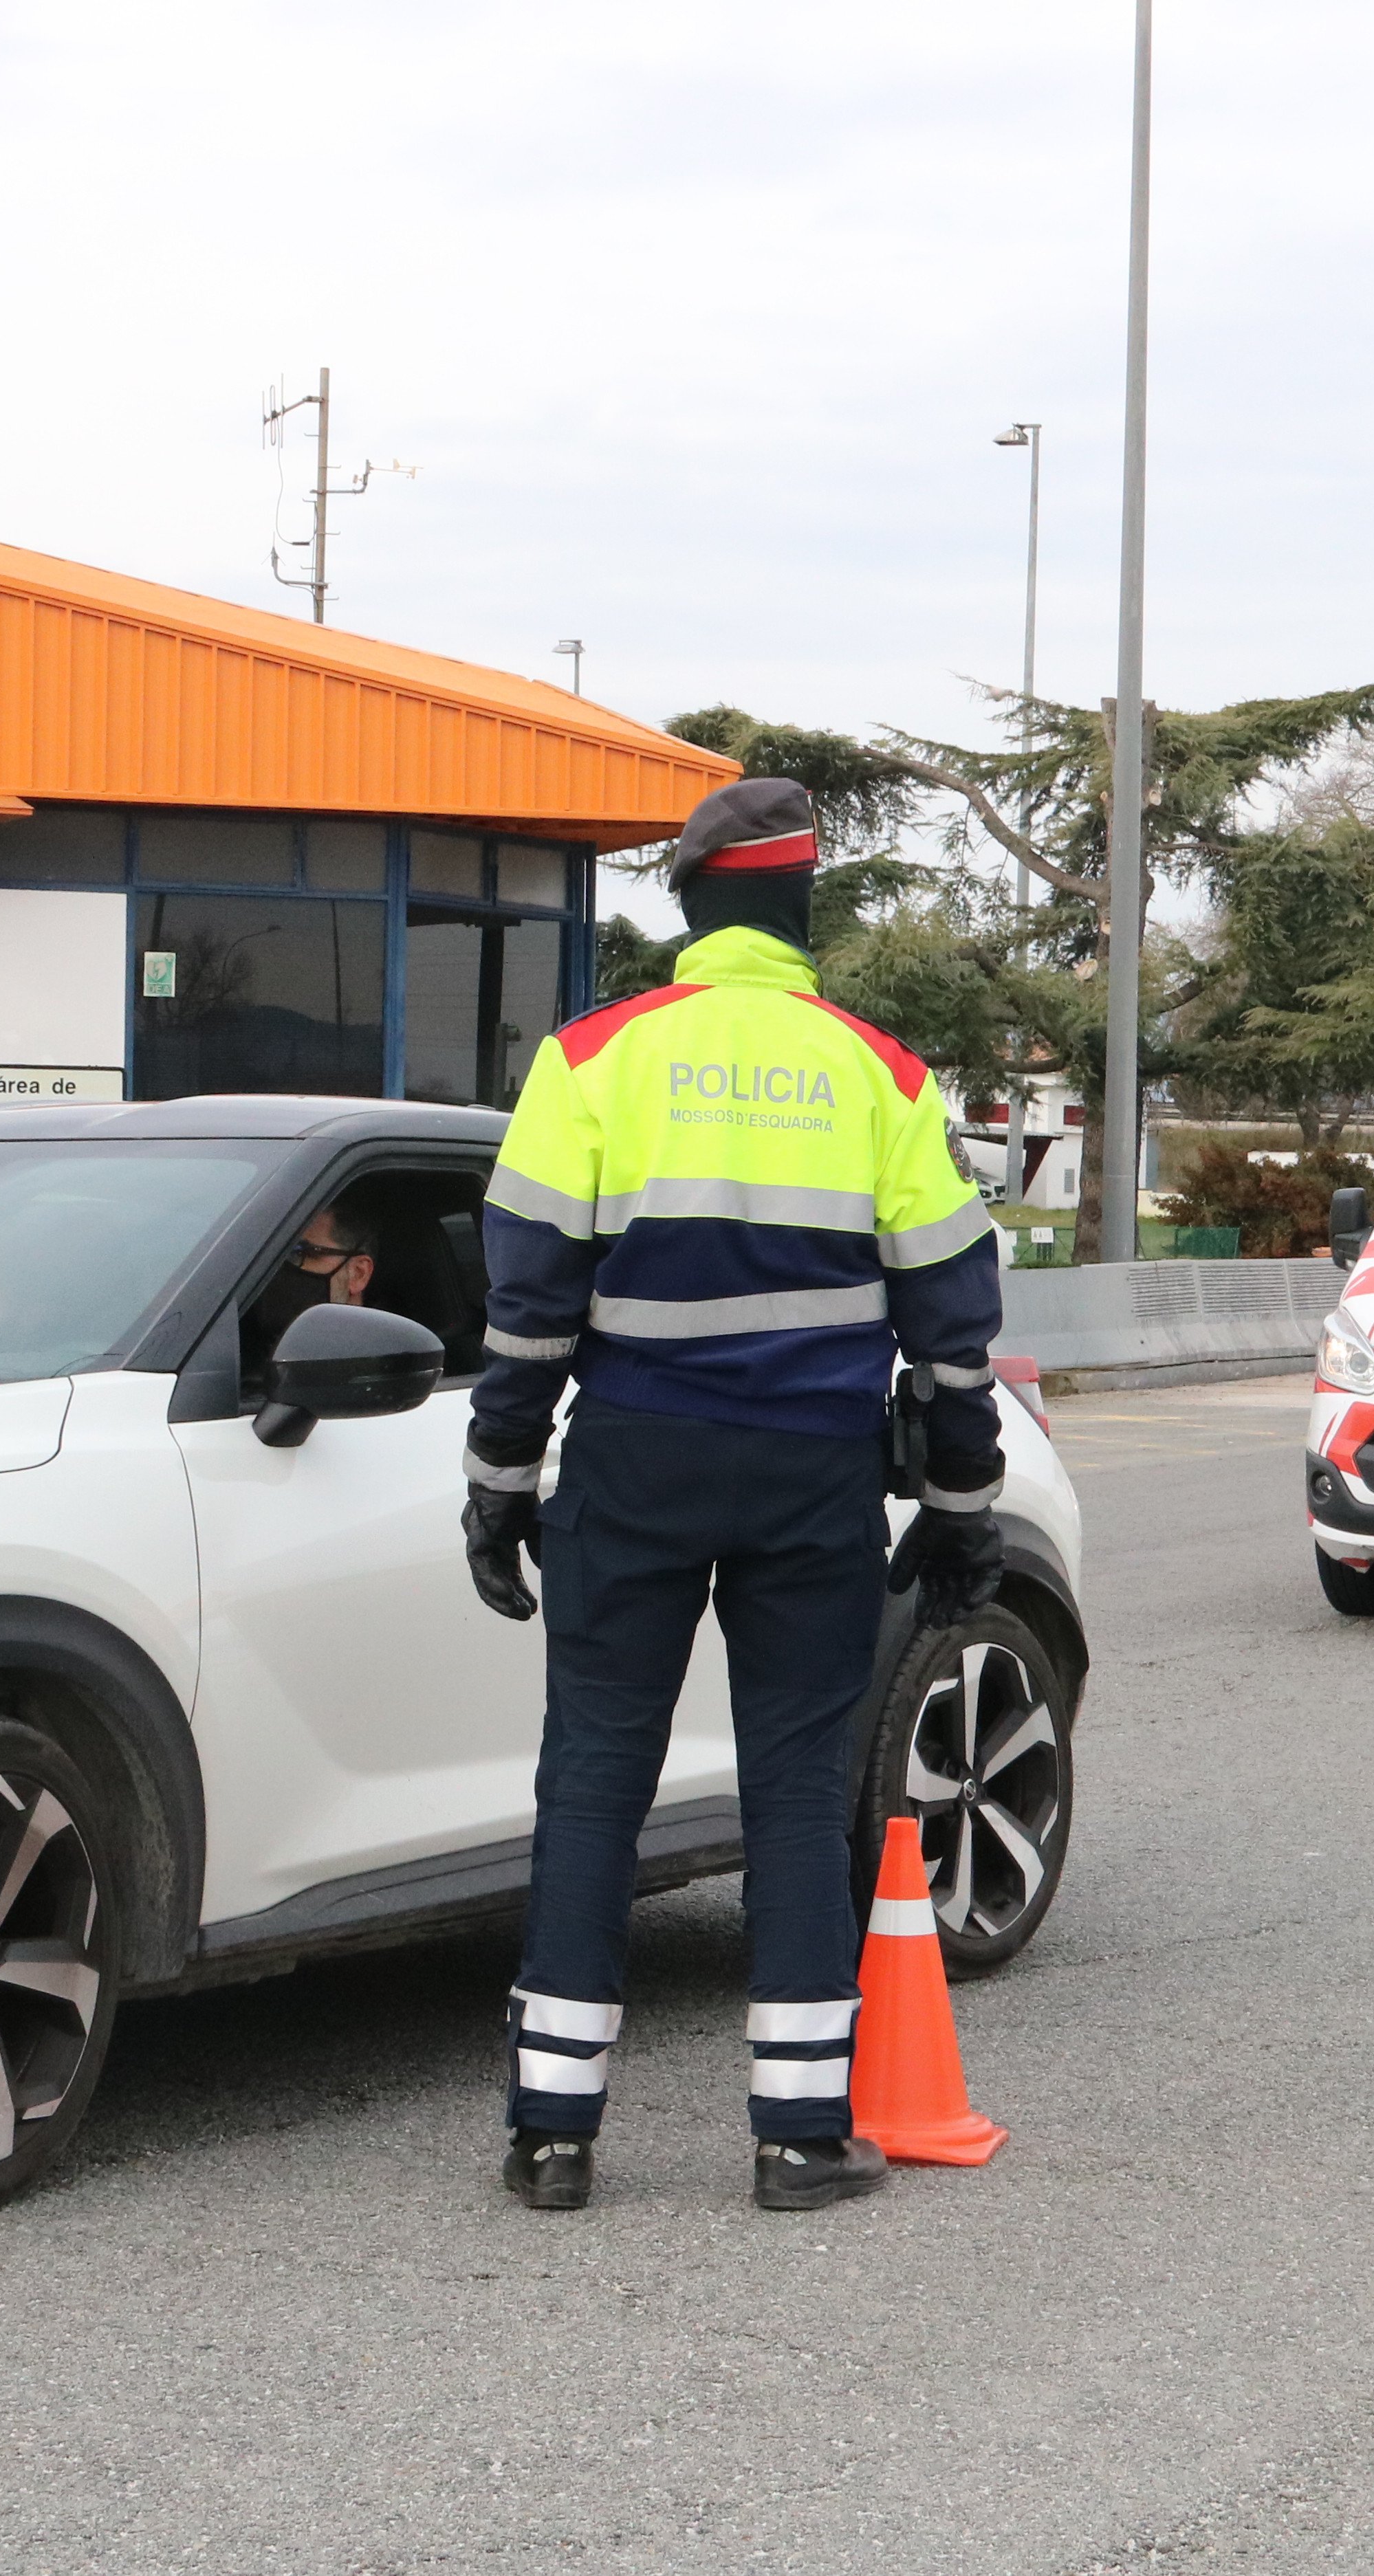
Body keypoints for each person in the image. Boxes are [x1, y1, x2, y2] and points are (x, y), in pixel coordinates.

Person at [461, 775, 1009, 2216]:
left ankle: (551, 2130)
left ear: (689, 906)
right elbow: (951, 1325)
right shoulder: (879, 1074)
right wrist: (958, 1505)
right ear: (796, 909)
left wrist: (496, 1481)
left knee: (591, 1774)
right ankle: (796, 2134)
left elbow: (523, 1303)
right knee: (790, 1782)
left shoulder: (589, 1060)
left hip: (633, 1456)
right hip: (812, 1476)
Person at [243, 1202, 378, 1370]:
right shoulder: (238, 1344)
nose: (282, 1268)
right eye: (277, 1254)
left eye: (303, 1252)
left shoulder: (376, 1363)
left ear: (359, 1274)